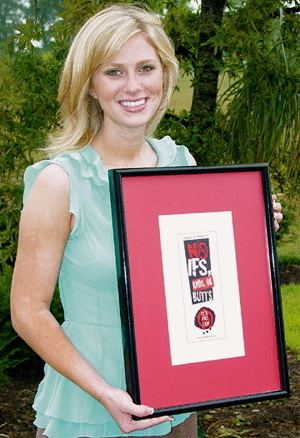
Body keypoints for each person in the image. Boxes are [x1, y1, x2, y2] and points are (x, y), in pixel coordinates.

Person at [10, 4, 283, 438]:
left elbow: (198, 275)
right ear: (90, 85)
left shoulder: (180, 162)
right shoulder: (60, 182)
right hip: (92, 405)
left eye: (145, 67)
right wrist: (105, 392)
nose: (133, 85)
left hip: (177, 398)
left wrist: (247, 232)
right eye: (113, 72)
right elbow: (27, 310)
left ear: (164, 75)